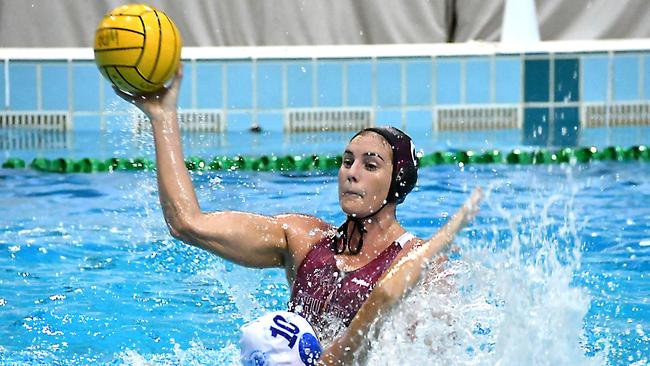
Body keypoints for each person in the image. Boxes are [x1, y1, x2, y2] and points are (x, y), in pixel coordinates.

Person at [114, 64, 482, 365]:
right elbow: (187, 223)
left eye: (371, 164)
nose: (351, 172)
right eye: (347, 160)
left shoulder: (425, 268)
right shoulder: (304, 239)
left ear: (397, 183)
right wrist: (162, 117)